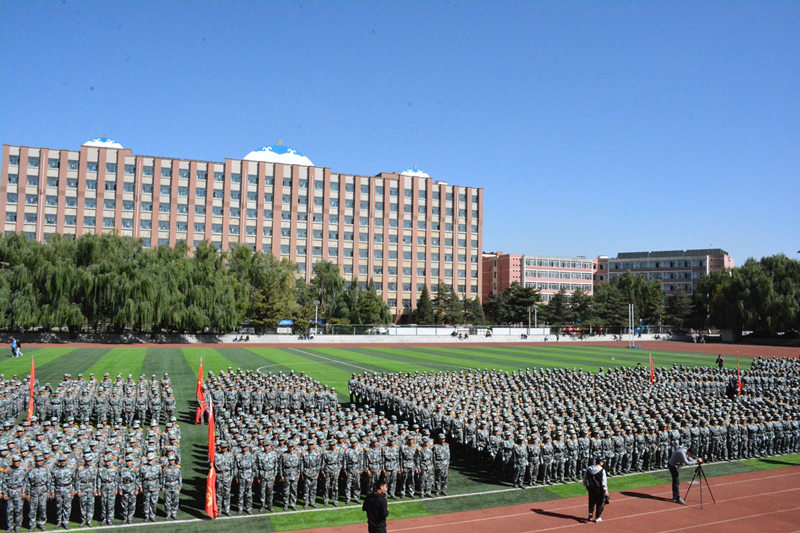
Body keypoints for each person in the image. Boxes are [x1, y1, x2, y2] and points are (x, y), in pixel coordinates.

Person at [582, 458, 609, 523]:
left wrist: (586, 486)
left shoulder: (588, 469)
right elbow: (603, 482)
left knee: (591, 501)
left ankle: (590, 514)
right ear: (600, 462)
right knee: (599, 503)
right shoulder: (602, 470)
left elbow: (584, 479)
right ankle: (597, 517)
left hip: (591, 488)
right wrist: (606, 491)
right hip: (599, 489)